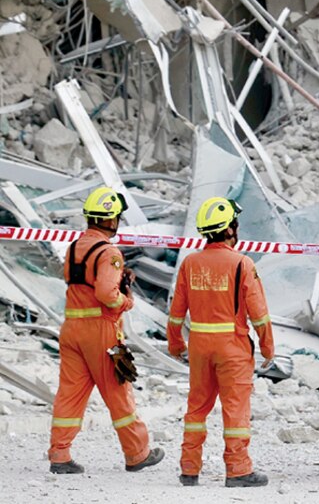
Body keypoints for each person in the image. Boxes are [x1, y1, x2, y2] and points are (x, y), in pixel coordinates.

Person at [48, 187, 165, 474]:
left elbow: (82, 283)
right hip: (100, 332)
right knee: (118, 392)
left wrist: (115, 280)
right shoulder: (109, 252)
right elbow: (104, 293)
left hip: (72, 329)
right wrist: (125, 300)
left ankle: (59, 455)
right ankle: (137, 454)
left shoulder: (74, 247)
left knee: (69, 395)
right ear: (110, 220)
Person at [168, 197, 274, 487]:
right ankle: (238, 470)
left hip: (200, 345)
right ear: (230, 228)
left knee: (197, 407)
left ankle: (189, 468)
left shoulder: (190, 263)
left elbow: (177, 311)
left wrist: (176, 343)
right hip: (232, 347)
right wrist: (267, 346)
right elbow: (259, 313)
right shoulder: (242, 263)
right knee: (235, 408)